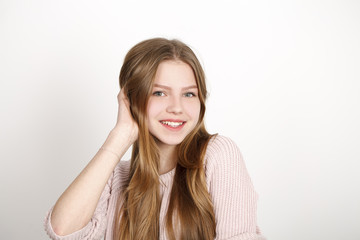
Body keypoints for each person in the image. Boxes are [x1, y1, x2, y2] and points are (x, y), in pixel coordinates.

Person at [44, 38, 266, 240]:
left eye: (189, 94)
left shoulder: (217, 155)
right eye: (159, 93)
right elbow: (63, 230)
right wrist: (120, 136)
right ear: (131, 100)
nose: (177, 108)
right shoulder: (114, 178)